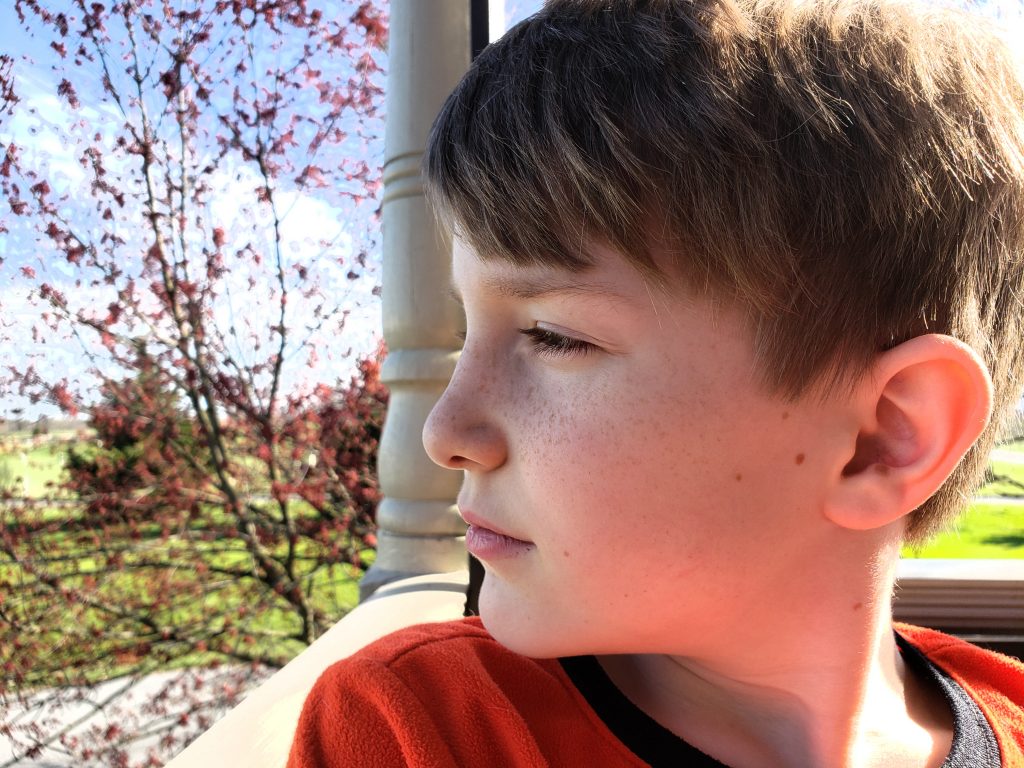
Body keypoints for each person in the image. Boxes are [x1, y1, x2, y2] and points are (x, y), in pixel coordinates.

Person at [288, 1, 1024, 765]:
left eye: (555, 336)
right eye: (469, 330)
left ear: (883, 438)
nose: (444, 433)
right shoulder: (425, 727)